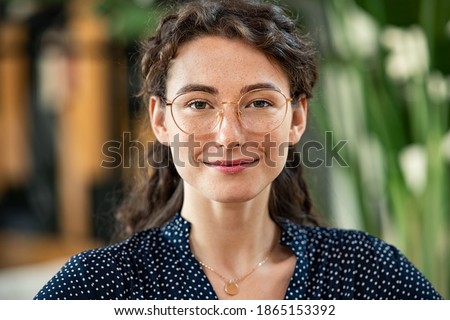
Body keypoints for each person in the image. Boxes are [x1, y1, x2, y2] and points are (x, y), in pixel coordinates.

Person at [35, 0, 442, 300]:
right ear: (160, 120)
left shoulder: (366, 273)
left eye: (259, 102)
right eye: (198, 103)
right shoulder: (97, 287)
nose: (229, 136)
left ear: (297, 118)